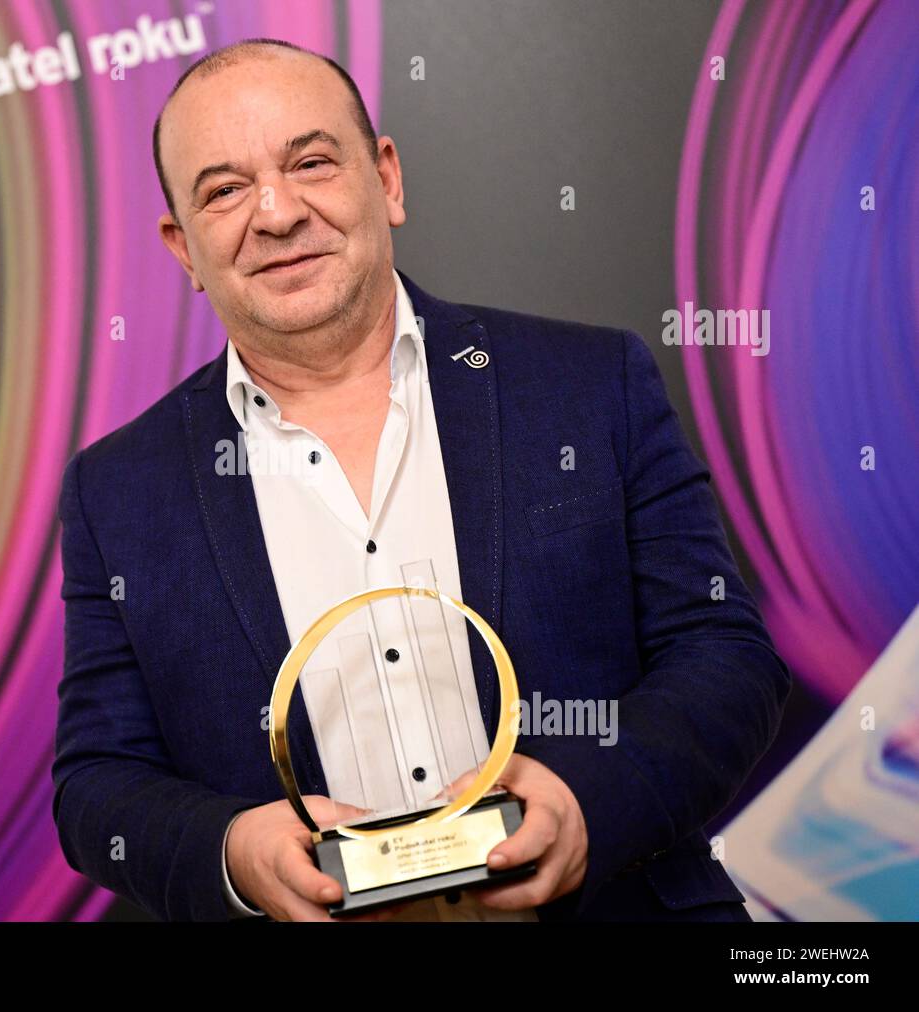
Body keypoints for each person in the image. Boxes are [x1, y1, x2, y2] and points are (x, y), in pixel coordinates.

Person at [51, 38, 790, 922]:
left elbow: (727, 657)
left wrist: (589, 802)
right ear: (182, 248)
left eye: (311, 162)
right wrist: (234, 854)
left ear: (387, 180)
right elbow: (98, 783)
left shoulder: (588, 386)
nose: (278, 213)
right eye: (224, 190)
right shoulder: (117, 491)